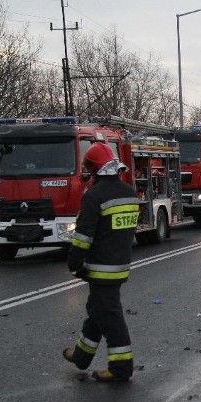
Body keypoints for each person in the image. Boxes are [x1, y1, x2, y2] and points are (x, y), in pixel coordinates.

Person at [62, 143, 139, 382]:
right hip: (120, 264)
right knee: (97, 310)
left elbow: (84, 236)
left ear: (94, 169)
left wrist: (74, 263)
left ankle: (121, 368)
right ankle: (81, 356)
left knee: (110, 316)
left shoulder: (94, 196)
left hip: (99, 268)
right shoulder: (129, 192)